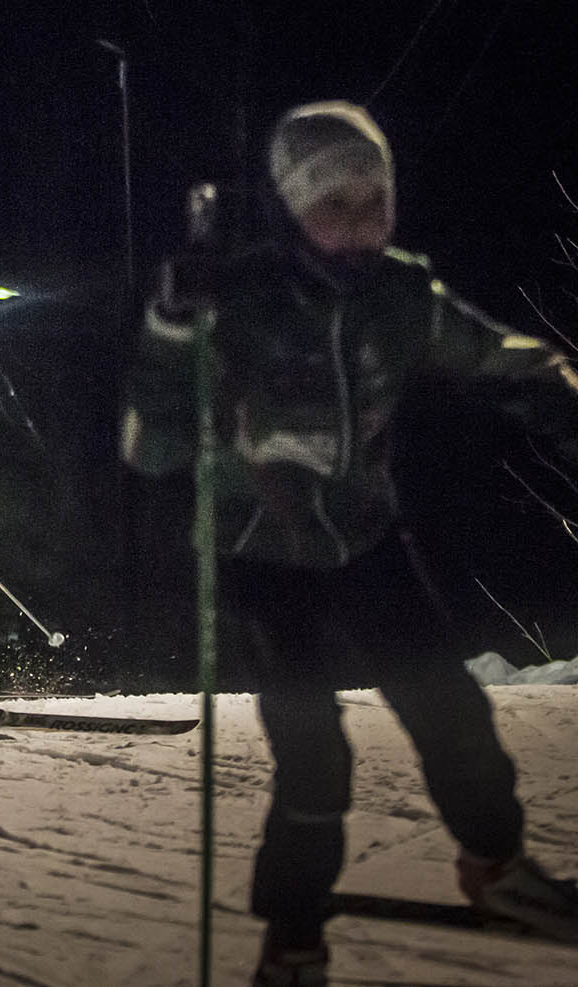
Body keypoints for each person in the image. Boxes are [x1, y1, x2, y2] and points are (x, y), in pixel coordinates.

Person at [120, 101, 578, 984]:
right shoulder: (238, 298)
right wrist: (172, 328)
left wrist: (558, 389)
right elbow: (151, 446)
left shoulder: (400, 294)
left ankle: (498, 867)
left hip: (364, 537)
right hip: (260, 551)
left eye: (376, 200)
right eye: (336, 203)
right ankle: (293, 932)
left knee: (452, 711)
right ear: (293, 206)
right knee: (313, 758)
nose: (360, 221)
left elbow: (496, 353)